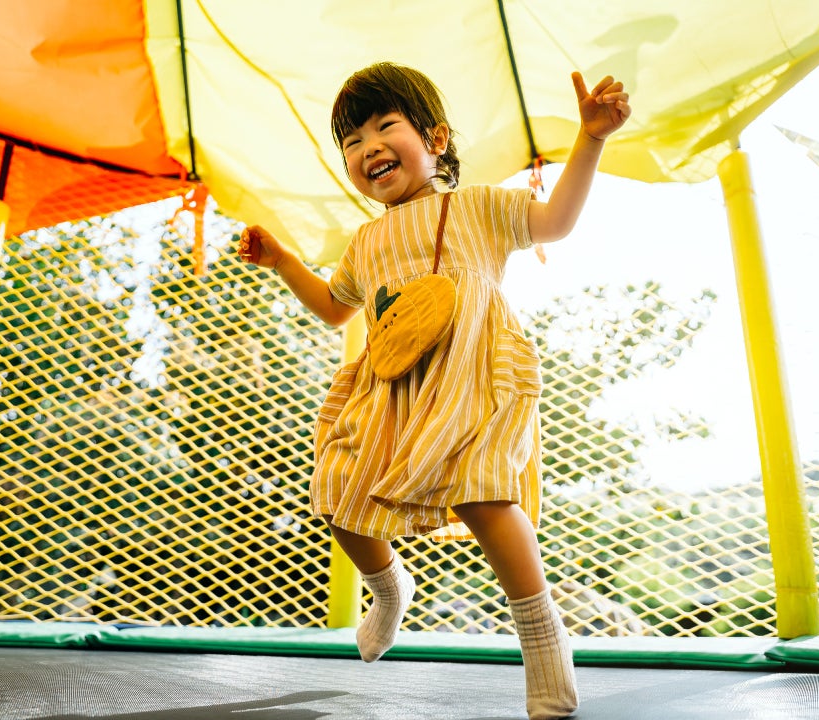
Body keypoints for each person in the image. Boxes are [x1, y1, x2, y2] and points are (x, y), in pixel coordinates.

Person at [238, 61, 630, 720]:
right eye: (352, 142)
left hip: (473, 374)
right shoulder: (365, 242)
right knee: (340, 500)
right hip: (392, 387)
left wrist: (591, 138)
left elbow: (557, 221)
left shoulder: (476, 206)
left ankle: (543, 638)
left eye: (385, 127)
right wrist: (283, 263)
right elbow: (337, 309)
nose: (368, 148)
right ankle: (389, 590)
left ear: (436, 139)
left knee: (485, 496)